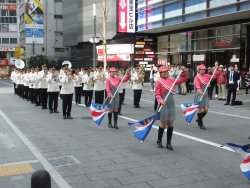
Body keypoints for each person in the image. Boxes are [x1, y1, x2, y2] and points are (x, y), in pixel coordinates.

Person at [155, 66, 188, 150]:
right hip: (163, 103)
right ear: (160, 73)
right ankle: (159, 140)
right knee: (163, 123)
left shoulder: (172, 80)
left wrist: (184, 72)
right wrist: (160, 100)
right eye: (163, 72)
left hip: (171, 103)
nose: (166, 73)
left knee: (170, 123)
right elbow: (157, 94)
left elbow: (183, 80)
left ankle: (168, 142)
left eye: (166, 71)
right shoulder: (158, 82)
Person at [194, 64, 218, 130]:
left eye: (204, 70)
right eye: (202, 69)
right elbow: (197, 86)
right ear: (199, 70)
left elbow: (214, 77)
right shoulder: (197, 77)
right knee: (200, 109)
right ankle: (201, 124)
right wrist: (200, 91)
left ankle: (199, 119)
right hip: (200, 93)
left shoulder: (207, 75)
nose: (203, 71)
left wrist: (215, 70)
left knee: (206, 109)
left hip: (206, 93)